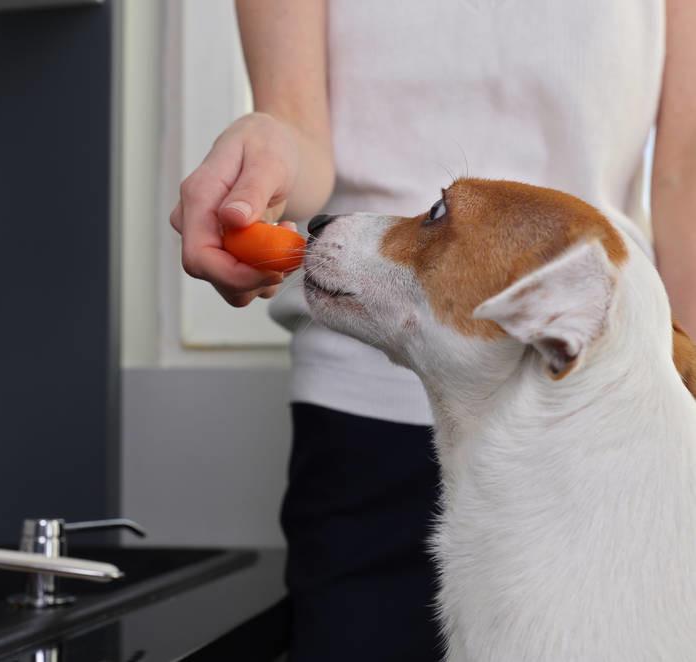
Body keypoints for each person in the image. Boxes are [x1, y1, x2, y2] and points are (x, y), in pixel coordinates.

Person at [169, 1, 696, 659]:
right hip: (363, 419)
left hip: (602, 440)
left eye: (438, 212)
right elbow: (296, 121)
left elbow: (684, 180)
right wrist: (265, 145)